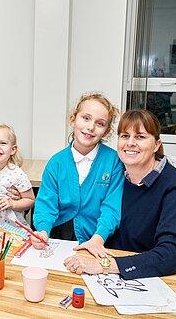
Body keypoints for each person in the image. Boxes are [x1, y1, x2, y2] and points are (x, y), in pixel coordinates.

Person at [63, 109, 176, 279]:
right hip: (113, 271)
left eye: (140, 137)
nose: (130, 143)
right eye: (124, 136)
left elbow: (172, 254)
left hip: (165, 279)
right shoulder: (114, 176)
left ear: (156, 145)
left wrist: (105, 266)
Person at [32, 92, 124, 258]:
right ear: (73, 119)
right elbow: (46, 204)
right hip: (59, 236)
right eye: (86, 118)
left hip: (98, 238)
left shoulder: (114, 162)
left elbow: (112, 207)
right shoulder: (56, 163)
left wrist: (99, 237)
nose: (91, 127)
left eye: (100, 123)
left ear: (106, 131)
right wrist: (43, 231)